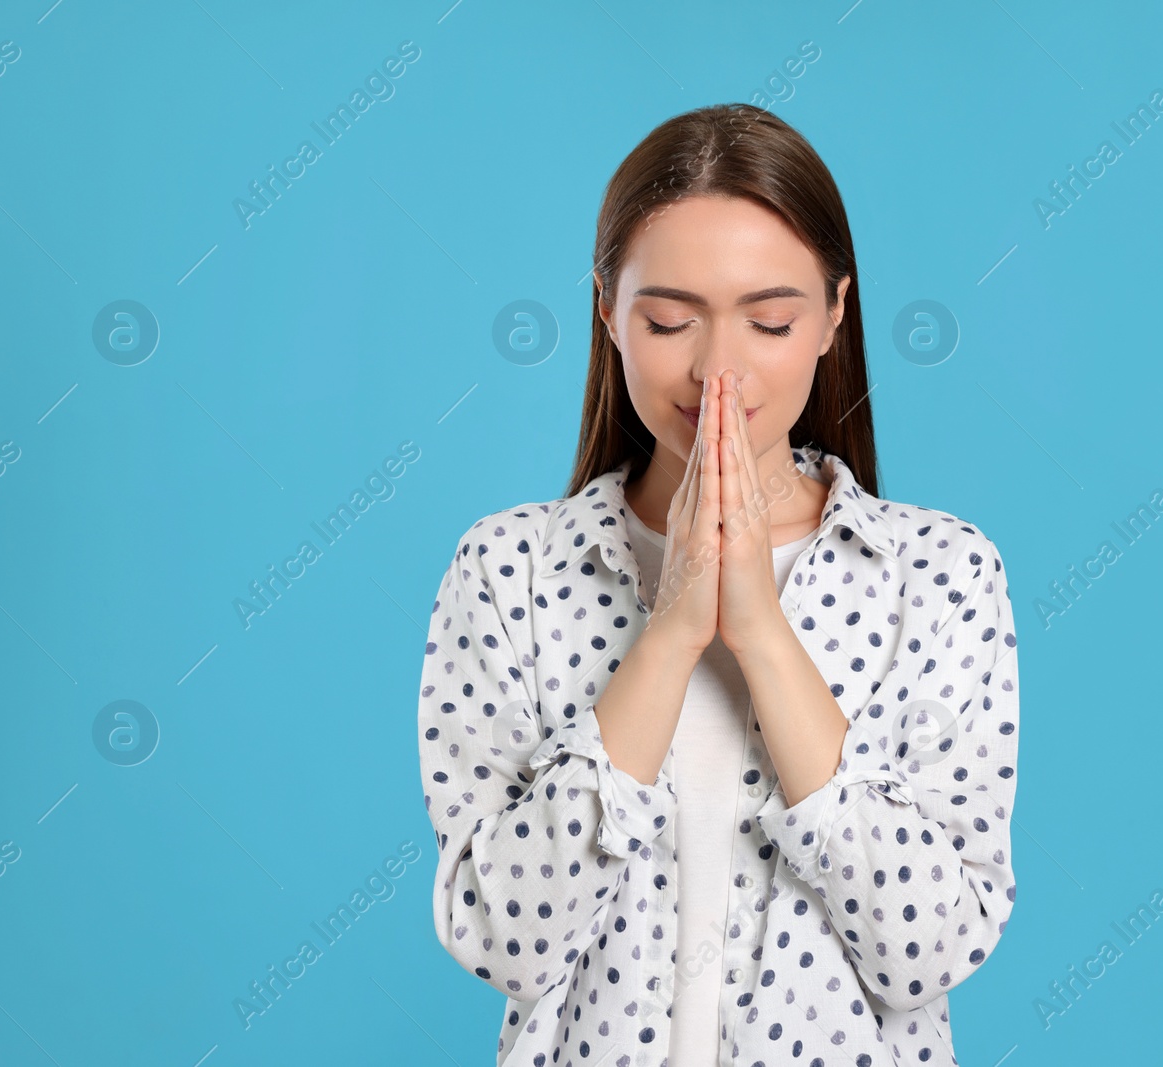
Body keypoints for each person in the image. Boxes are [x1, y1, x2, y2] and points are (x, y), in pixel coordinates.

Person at [417, 102, 1019, 1067]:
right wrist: (669, 630)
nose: (720, 370)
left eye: (771, 319)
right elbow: (505, 941)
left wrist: (762, 633)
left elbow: (930, 948)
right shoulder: (510, 573)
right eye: (668, 319)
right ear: (608, 310)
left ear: (832, 317)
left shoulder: (939, 577)